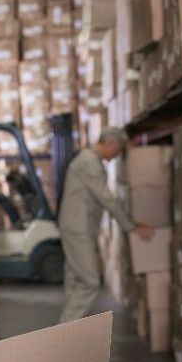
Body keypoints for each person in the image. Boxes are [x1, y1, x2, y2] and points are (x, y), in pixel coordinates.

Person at [58, 127, 153, 323]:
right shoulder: (88, 163)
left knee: (75, 278)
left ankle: (65, 331)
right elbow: (106, 198)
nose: (118, 155)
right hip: (78, 228)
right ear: (110, 143)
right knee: (91, 281)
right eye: (118, 150)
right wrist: (131, 226)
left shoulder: (90, 161)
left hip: (78, 226)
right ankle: (64, 329)